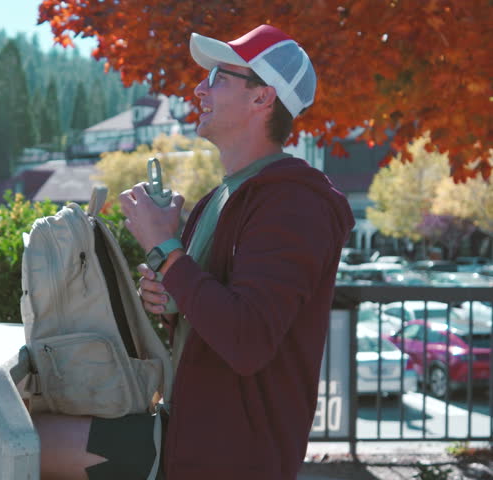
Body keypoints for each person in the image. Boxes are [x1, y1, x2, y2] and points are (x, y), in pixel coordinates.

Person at [33, 24, 354, 480]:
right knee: (16, 431)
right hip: (190, 432)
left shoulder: (295, 203)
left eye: (219, 77)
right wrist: (171, 300)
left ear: (263, 98)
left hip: (230, 455)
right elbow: (213, 311)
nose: (199, 89)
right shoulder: (221, 198)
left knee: (11, 440)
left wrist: (165, 248)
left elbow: (246, 339)